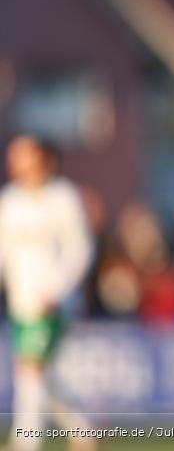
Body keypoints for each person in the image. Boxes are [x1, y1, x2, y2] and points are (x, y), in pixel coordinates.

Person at [0, 135, 95, 451]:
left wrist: (57, 289)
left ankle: (26, 441)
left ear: (43, 158)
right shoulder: (10, 200)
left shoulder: (63, 197)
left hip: (53, 302)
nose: (15, 161)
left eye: (23, 154)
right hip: (21, 301)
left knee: (30, 368)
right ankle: (82, 430)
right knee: (40, 372)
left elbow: (80, 249)